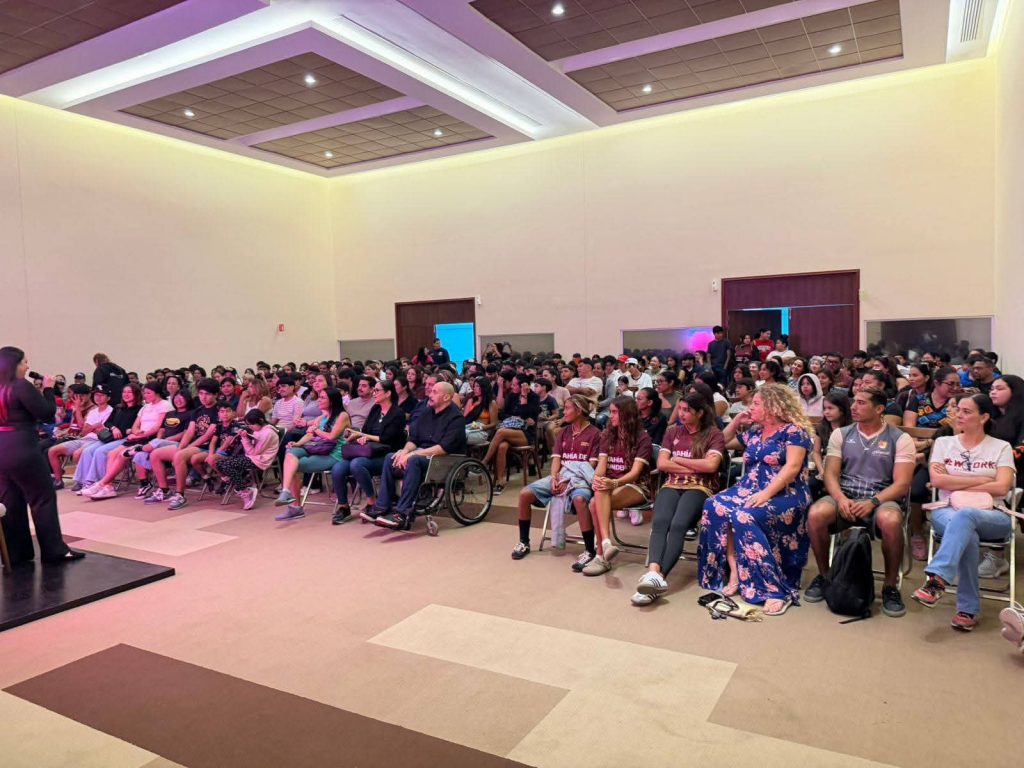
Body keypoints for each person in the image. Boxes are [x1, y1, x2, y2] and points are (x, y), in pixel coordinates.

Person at [698, 384, 813, 616]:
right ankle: (735, 571)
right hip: (748, 488)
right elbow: (720, 442)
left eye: (757, 404)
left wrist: (766, 493)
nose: (752, 407)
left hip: (786, 493)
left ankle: (773, 589)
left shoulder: (794, 432)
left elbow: (791, 469)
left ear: (773, 407)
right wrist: (737, 420)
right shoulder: (754, 432)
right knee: (715, 505)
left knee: (743, 515)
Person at [804, 388, 915, 617]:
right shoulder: (841, 434)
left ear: (879, 409)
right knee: (815, 514)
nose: (853, 407)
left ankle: (890, 586)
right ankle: (825, 576)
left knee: (891, 519)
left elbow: (902, 484)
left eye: (862, 403)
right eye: (854, 402)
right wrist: (841, 499)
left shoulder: (900, 439)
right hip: (845, 495)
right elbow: (831, 475)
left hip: (882, 498)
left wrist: (873, 501)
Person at [912, 393, 1016, 631]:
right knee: (966, 530)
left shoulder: (1001, 447)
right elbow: (937, 480)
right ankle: (967, 608)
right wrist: (983, 479)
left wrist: (954, 480)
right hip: (946, 509)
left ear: (985, 417)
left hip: (993, 513)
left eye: (967, 411)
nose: (958, 415)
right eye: (958, 409)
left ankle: (937, 579)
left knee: (966, 516)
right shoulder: (944, 444)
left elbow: (1002, 487)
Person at [631, 394, 726, 606]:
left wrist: (679, 459)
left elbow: (711, 467)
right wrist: (695, 464)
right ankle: (653, 574)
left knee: (678, 524)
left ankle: (657, 580)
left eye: (686, 410)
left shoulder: (713, 434)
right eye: (680, 409)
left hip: (701, 486)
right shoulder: (672, 431)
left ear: (700, 413)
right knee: (660, 522)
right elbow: (663, 464)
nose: (681, 414)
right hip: (672, 484)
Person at [0, 346, 84, 565]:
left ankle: (17, 553)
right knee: (42, 498)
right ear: (15, 364)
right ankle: (54, 550)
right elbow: (46, 413)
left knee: (11, 500)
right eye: (25, 362)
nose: (28, 366)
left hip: (1, 449)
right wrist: (47, 389)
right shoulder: (20, 386)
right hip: (22, 447)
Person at [511, 395, 601, 564]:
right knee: (524, 494)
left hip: (581, 479)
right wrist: (554, 478)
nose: (563, 412)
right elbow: (556, 460)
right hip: (562, 475)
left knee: (580, 499)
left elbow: (592, 465)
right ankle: (524, 542)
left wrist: (568, 481)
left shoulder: (595, 434)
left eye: (567, 409)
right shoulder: (563, 433)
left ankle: (590, 550)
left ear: (579, 411)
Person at [369, 381, 467, 530]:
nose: (430, 394)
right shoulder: (427, 412)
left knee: (414, 460)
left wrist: (413, 454)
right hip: (423, 455)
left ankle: (403, 513)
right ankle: (382, 506)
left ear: (447, 397)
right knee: (391, 457)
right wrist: (404, 451)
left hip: (444, 459)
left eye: (435, 392)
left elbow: (443, 448)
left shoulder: (456, 418)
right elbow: (414, 439)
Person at [581, 396, 653, 576]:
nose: (610, 416)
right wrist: (597, 479)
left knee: (595, 502)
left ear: (626, 414)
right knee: (596, 494)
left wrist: (612, 482)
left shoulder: (642, 438)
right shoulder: (607, 434)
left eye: (614, 412)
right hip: (609, 486)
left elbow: (635, 473)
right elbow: (601, 466)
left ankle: (601, 554)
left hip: (636, 486)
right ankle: (605, 544)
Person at [333, 380, 407, 524]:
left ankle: (371, 502)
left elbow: (387, 439)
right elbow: (366, 430)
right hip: (368, 450)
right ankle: (344, 507)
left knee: (356, 464)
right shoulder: (375, 409)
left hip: (387, 454)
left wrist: (365, 437)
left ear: (388, 393)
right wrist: (359, 436)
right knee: (338, 468)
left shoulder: (397, 413)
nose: (374, 393)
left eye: (377, 390)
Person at [82, 383, 172, 499]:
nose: (146, 395)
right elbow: (136, 425)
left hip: (149, 438)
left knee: (121, 454)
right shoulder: (145, 407)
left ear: (157, 393)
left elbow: (157, 427)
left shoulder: (164, 405)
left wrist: (138, 435)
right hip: (137, 437)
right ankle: (107, 487)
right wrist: (136, 432)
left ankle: (102, 483)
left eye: (148, 393)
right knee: (111, 453)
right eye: (145, 393)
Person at [274, 388, 350, 520]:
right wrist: (297, 443)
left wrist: (316, 430)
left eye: (322, 398)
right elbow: (309, 435)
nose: (318, 400)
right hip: (317, 448)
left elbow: (331, 437)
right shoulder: (321, 417)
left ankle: (295, 508)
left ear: (332, 401)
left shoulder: (342, 416)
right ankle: (286, 491)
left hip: (333, 454)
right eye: (319, 397)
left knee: (291, 466)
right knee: (290, 451)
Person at [145, 378, 220, 510]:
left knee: (179, 456)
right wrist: (181, 447)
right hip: (193, 445)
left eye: (207, 394)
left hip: (209, 447)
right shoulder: (197, 411)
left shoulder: (219, 409)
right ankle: (164, 490)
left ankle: (180, 495)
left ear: (215, 395)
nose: (203, 397)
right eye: (201, 393)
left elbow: (207, 435)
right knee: (155, 454)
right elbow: (190, 432)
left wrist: (185, 449)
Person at [71, 383, 141, 492]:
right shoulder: (118, 407)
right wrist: (113, 428)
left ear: (136, 394)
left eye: (129, 392)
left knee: (100, 451)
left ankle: (94, 482)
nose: (126, 394)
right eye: (124, 392)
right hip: (111, 436)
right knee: (87, 451)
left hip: (124, 439)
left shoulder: (139, 409)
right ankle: (82, 481)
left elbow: (133, 427)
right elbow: (108, 422)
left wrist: (127, 430)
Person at [482, 373, 540, 494]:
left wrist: (524, 396)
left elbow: (528, 415)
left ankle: (484, 462)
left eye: (514, 384)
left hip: (525, 434)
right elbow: (502, 414)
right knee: (502, 447)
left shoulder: (534, 397)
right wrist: (514, 416)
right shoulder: (512, 396)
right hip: (509, 430)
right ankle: (500, 482)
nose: (512, 386)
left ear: (523, 385)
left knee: (500, 432)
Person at [48, 383, 112, 488]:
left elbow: (102, 431)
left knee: (77, 454)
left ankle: (82, 481)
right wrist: (92, 426)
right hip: (84, 438)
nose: (98, 397)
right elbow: (83, 429)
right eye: (96, 395)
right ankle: (58, 481)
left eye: (102, 395)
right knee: (52, 451)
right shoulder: (94, 412)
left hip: (97, 441)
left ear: (108, 398)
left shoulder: (110, 411)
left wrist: (91, 427)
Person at [215, 409, 280, 510]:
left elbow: (253, 452)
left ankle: (244, 491)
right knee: (219, 463)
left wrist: (245, 438)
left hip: (260, 460)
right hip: (252, 457)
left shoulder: (268, 433)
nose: (250, 427)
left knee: (228, 466)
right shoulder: (260, 430)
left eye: (251, 425)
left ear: (261, 421)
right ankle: (238, 483)